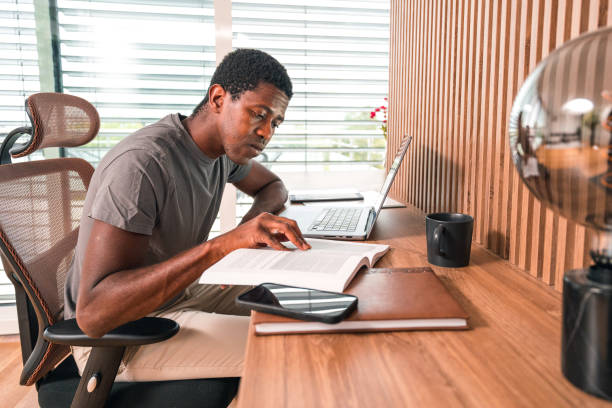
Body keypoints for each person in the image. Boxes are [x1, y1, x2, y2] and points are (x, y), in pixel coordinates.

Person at [64, 48, 311, 382]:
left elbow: (273, 187)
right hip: (120, 338)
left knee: (307, 307)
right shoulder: (143, 164)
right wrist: (224, 246)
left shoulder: (223, 152)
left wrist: (247, 234)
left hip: (179, 293)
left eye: (275, 122)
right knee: (300, 349)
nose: (267, 132)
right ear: (219, 98)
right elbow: (94, 314)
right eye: (258, 115)